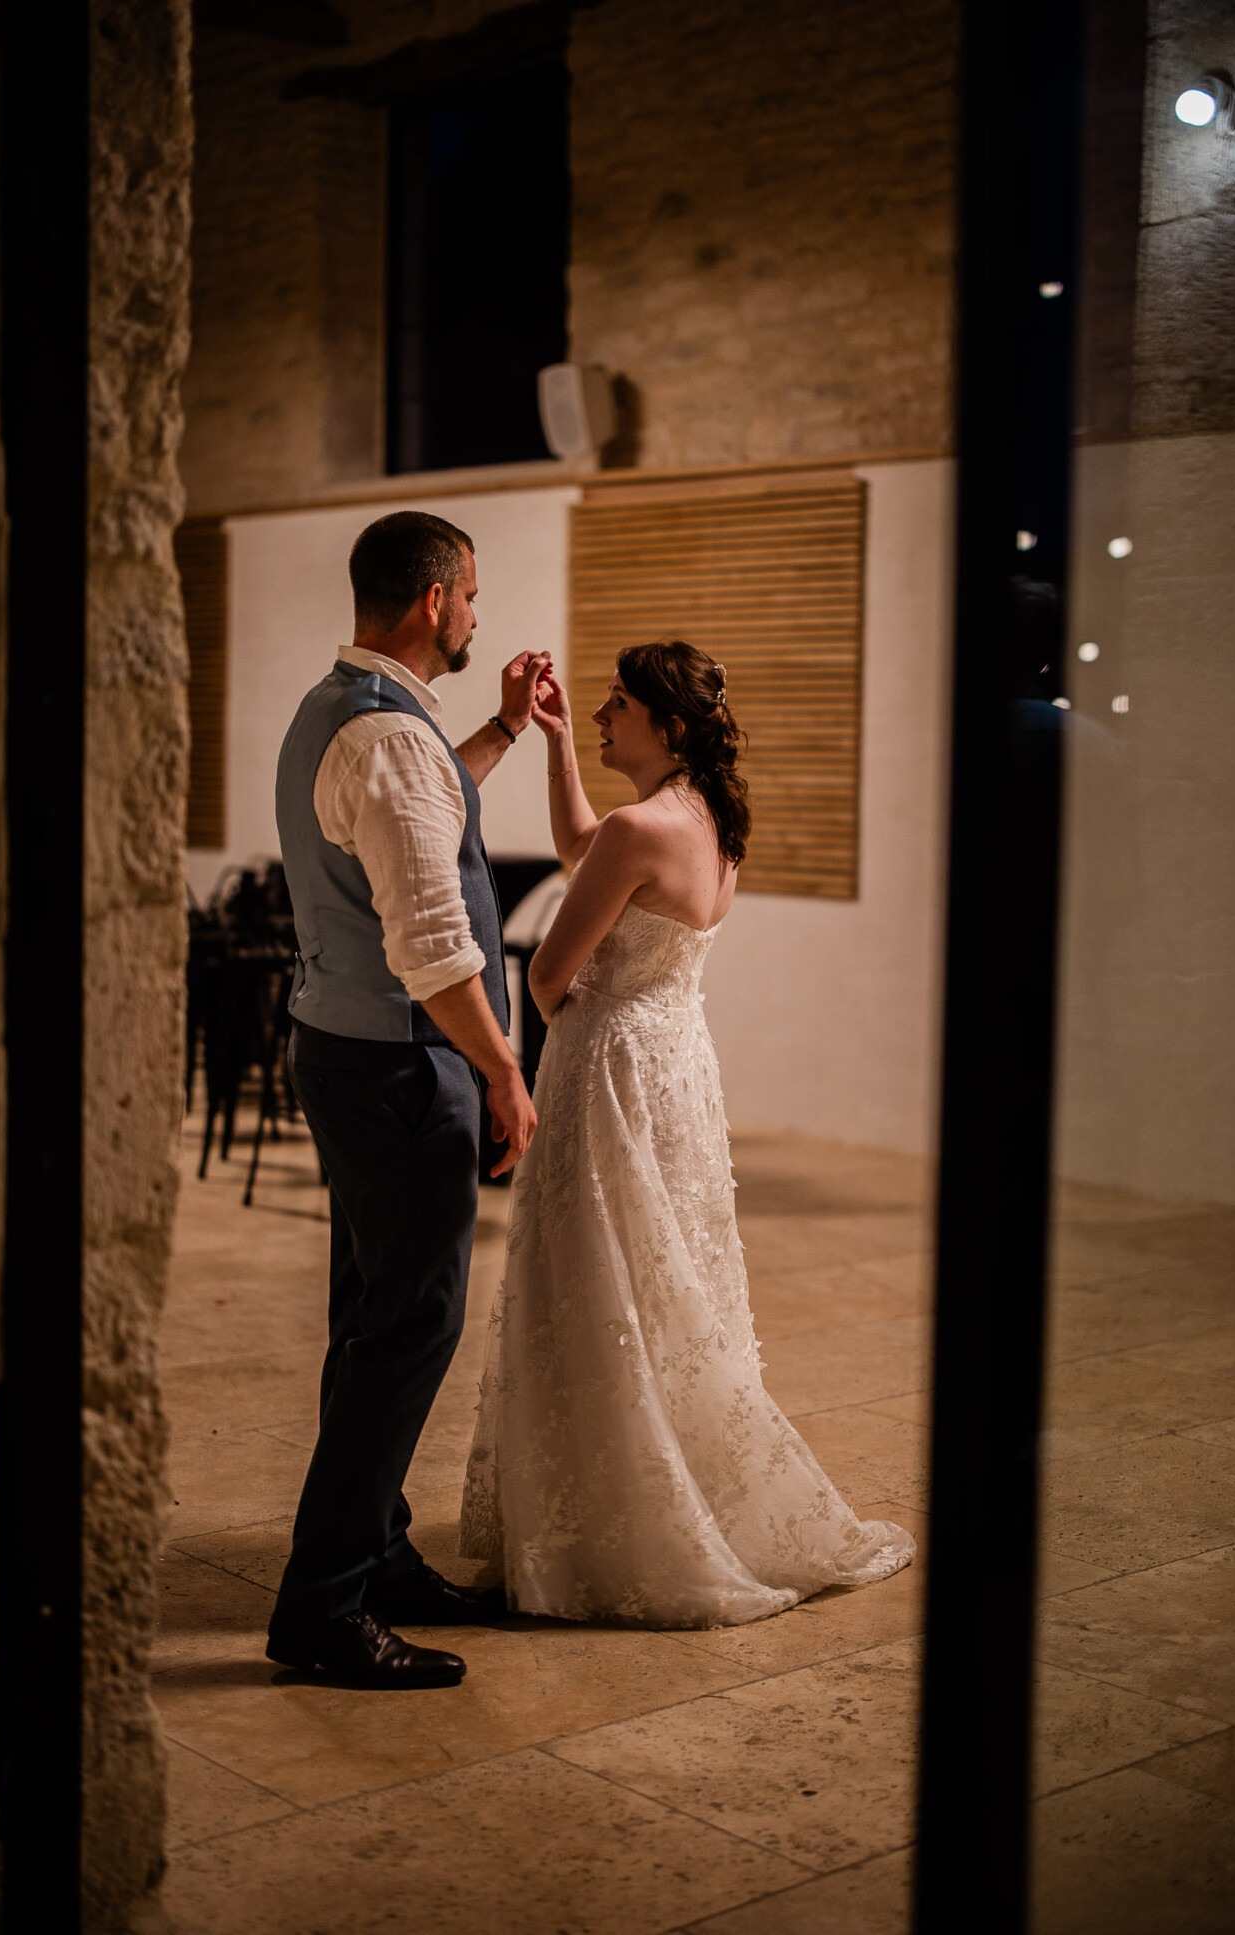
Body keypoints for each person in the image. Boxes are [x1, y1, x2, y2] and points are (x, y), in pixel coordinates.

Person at [460, 641, 915, 1626]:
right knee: (665, 1278)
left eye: (617, 706)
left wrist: (564, 997)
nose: (599, 716)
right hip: (677, 1066)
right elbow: (591, 849)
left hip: (609, 1069)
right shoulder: (709, 819)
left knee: (596, 1272)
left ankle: (603, 1516)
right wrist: (551, 748)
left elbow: (545, 976)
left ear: (666, 723)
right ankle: (675, 1485)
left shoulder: (639, 828)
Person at [266, 510, 546, 1688]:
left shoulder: (358, 717)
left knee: (372, 1318)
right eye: (473, 596)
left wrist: (501, 733)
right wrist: (500, 1070)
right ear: (435, 601)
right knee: (411, 1329)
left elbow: (422, 821)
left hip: (346, 1050)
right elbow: (434, 946)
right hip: (396, 1065)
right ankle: (324, 1608)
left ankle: (377, 1552)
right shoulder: (385, 741)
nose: (479, 615)